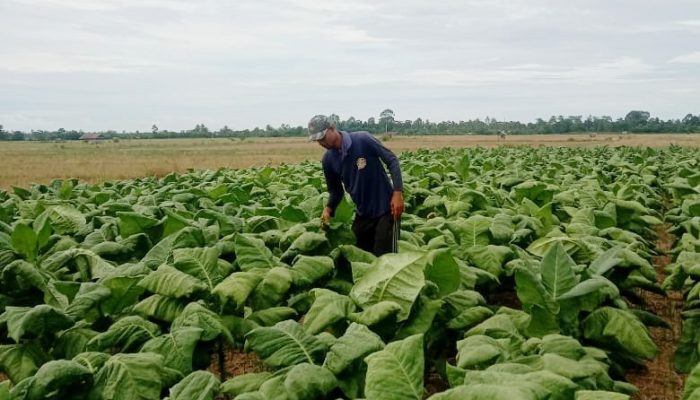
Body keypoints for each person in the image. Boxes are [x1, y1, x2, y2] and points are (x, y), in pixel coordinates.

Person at [308, 115, 404, 256]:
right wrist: (328, 209)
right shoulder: (328, 160)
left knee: (385, 259)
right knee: (358, 256)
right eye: (317, 140)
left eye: (322, 138)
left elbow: (392, 160)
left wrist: (397, 193)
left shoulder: (362, 140)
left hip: (387, 209)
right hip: (363, 214)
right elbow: (336, 191)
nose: (321, 142)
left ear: (332, 128)